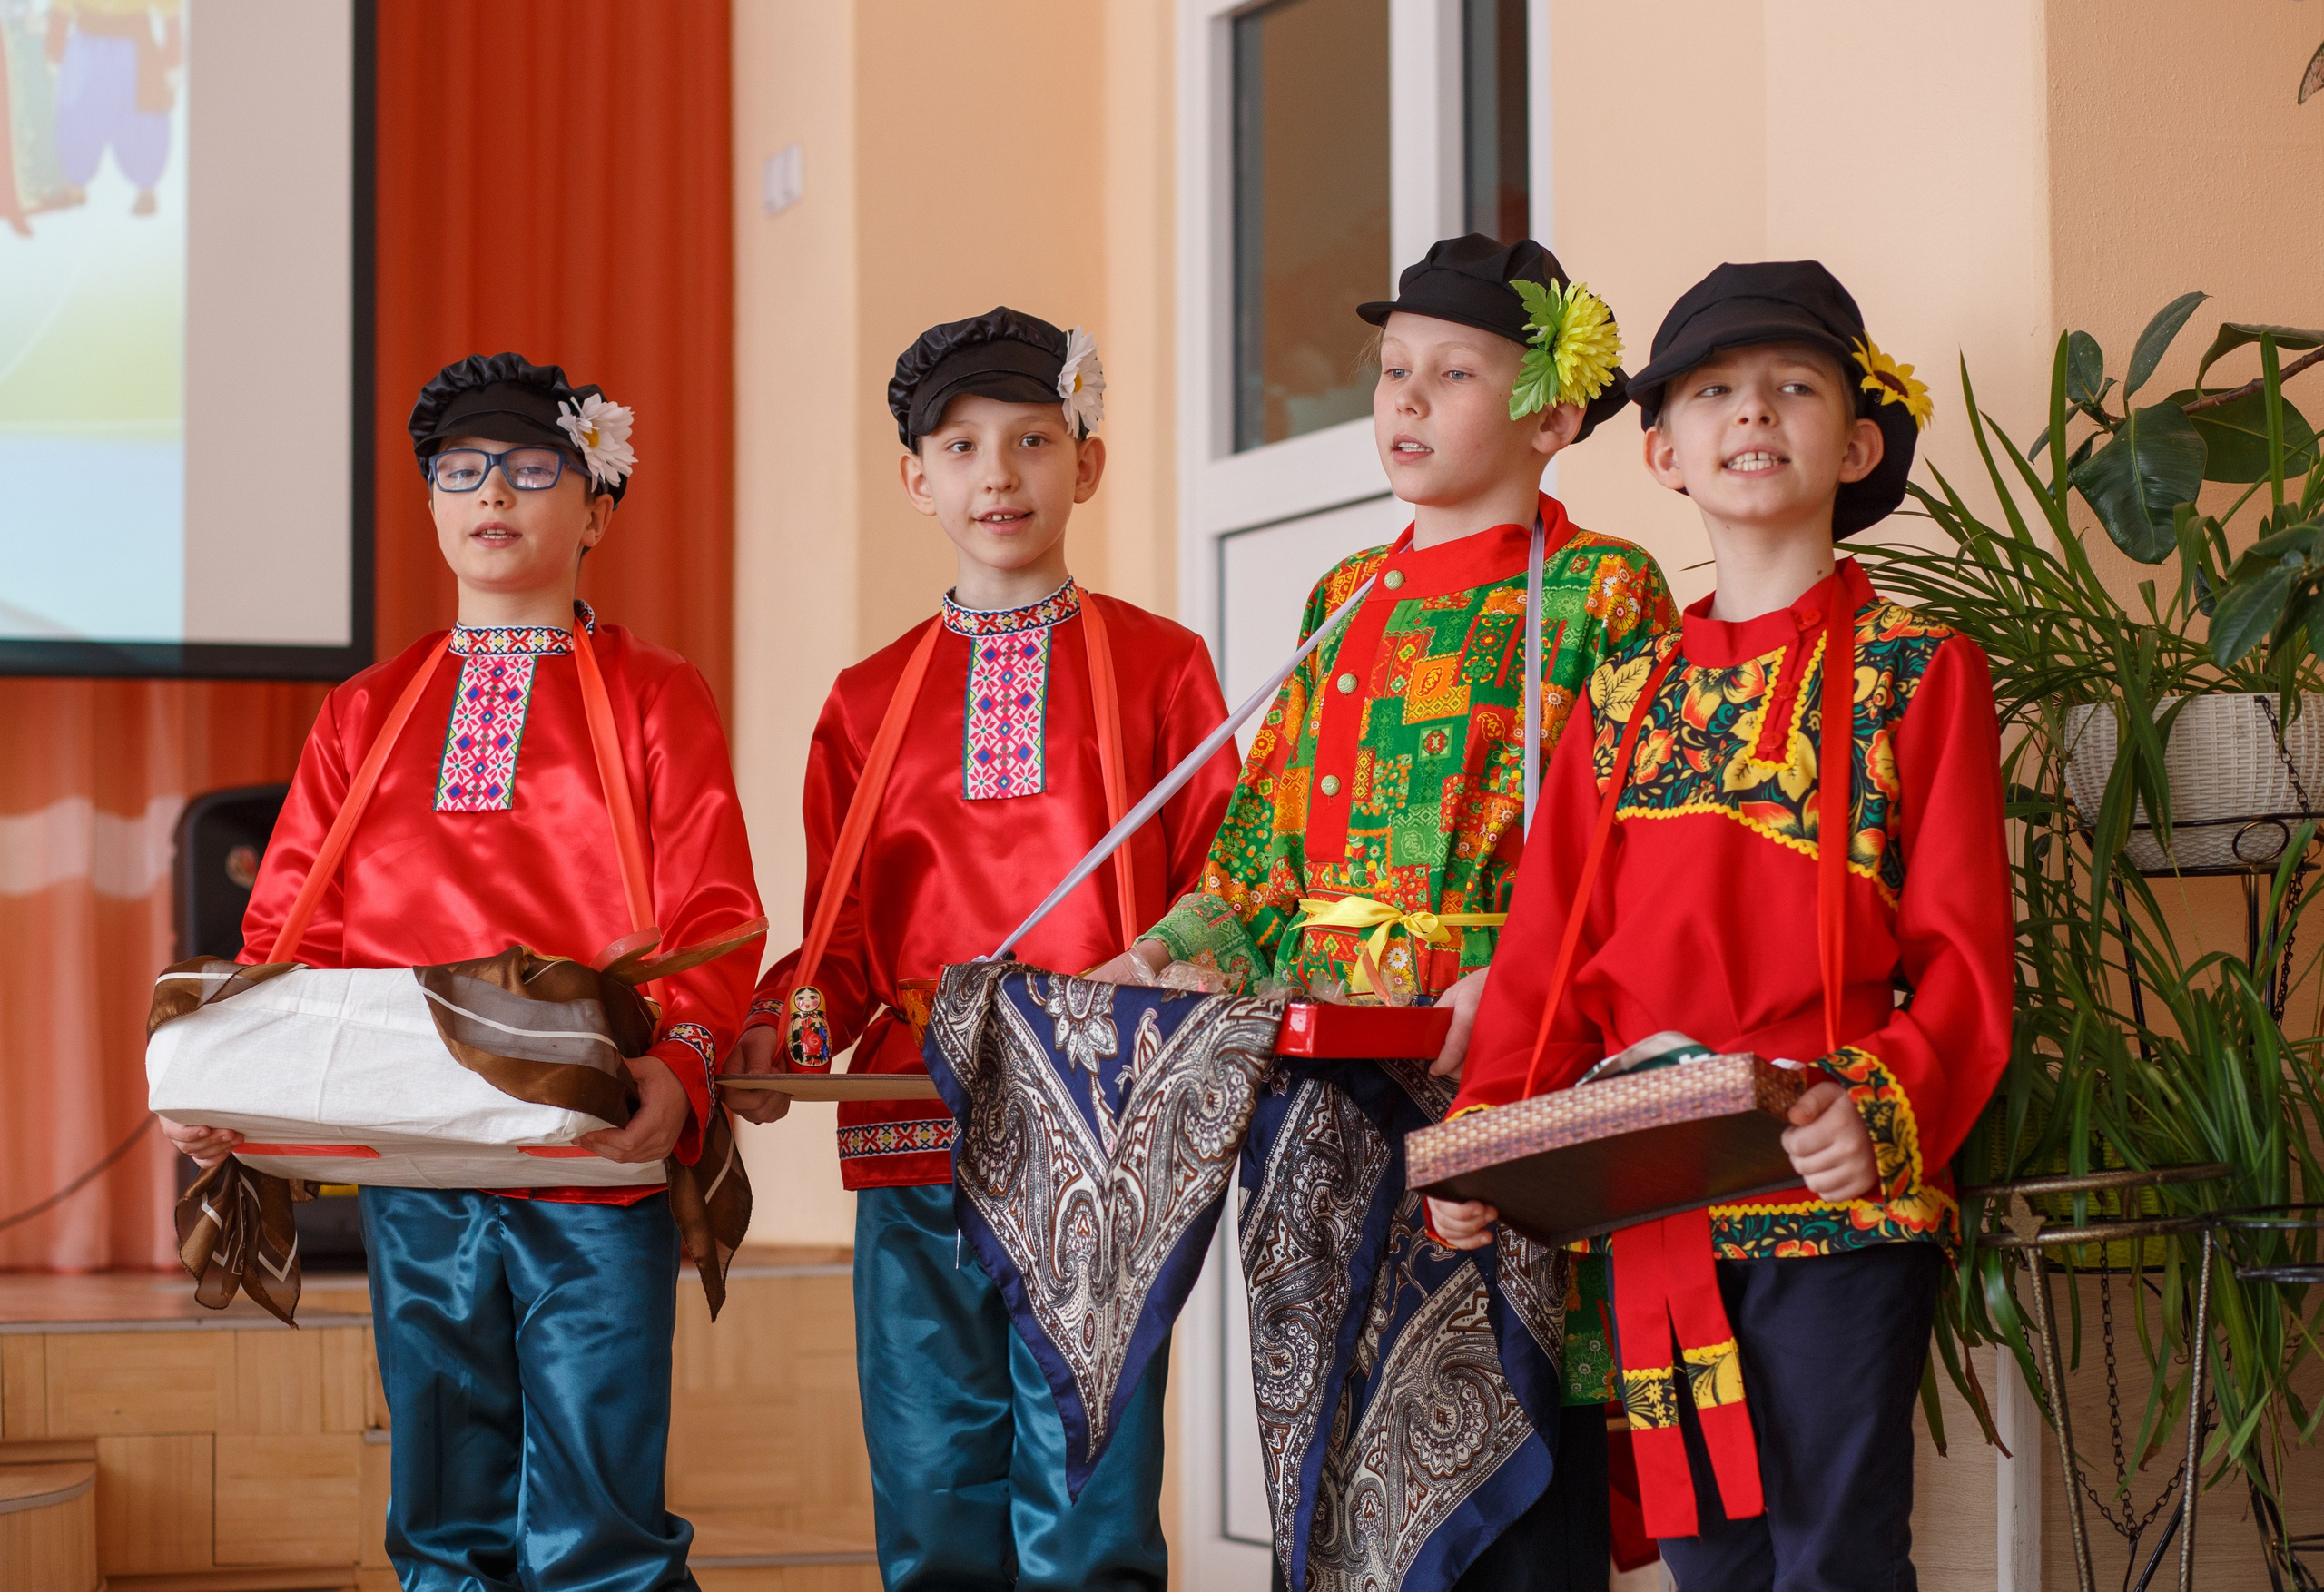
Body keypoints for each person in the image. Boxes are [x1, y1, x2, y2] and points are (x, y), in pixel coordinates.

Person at [1095, 235, 1678, 1591]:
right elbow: (1258, 864)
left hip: (1506, 1069)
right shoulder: (1340, 599)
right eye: (1392, 371)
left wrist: (1521, 993)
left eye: (1454, 372)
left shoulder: (1607, 592)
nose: (1406, 399)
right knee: (1341, 1442)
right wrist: (1162, 956)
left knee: (1518, 1450)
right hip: (1316, 1087)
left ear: (1552, 409)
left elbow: (1629, 854)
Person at [1434, 261, 2012, 1591]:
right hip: (1660, 1201)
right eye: (1713, 391)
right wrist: (1487, 1133)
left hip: (1832, 1189)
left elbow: (1969, 958)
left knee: (1834, 1556)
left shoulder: (1919, 667)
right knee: (1708, 1559)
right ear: (1663, 449)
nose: (1754, 411)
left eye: (1794, 385)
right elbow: (1548, 963)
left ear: (1857, 440)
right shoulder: (1622, 692)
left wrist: (1877, 1102)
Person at [160, 353, 763, 1590]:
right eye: (462, 471)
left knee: (602, 1525)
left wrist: (685, 1058)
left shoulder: (657, 696)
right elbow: (286, 937)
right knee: (442, 1518)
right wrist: (227, 1079)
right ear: (434, 507)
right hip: (415, 1167)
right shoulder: (365, 710)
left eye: (534, 468)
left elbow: (716, 912)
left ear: (595, 507)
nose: (494, 492)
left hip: (589, 1169)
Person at [725, 308, 1236, 1592]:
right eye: (959, 446)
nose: (997, 474)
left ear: (1091, 463)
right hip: (912, 1125)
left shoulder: (1165, 669)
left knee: (1087, 1506)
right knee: (932, 1485)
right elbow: (837, 941)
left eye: (1032, 439)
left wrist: (1181, 978)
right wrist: (783, 1034)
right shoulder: (863, 699)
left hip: (1101, 1138)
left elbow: (1229, 888)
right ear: (915, 478)